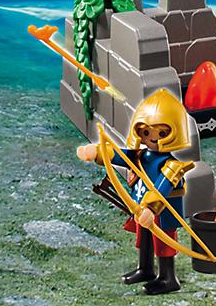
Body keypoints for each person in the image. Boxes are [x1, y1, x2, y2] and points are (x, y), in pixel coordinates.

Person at [77, 89, 194, 295]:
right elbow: (120, 155)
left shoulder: (172, 165)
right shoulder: (141, 155)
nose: (152, 138)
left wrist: (151, 208)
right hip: (141, 208)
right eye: (146, 133)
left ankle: (168, 277)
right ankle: (145, 269)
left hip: (162, 212)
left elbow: (162, 187)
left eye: (161, 133)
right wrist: (98, 152)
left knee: (164, 243)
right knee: (144, 239)